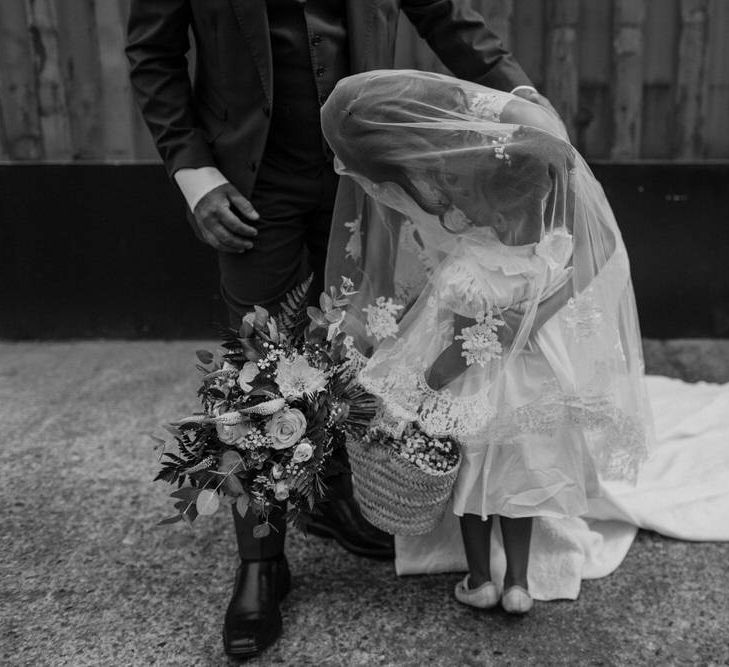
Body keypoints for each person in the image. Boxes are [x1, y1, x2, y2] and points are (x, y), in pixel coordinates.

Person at [125, 0, 561, 658]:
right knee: (259, 360)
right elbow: (153, 53)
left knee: (362, 336)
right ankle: (262, 557)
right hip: (248, 178)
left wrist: (521, 93)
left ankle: (332, 492)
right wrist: (193, 171)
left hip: (363, 167)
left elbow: (442, 12)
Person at [321, 70, 653, 614]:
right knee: (520, 472)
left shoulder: (530, 148)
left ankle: (481, 577)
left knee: (471, 477)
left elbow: (598, 248)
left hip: (487, 365)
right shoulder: (540, 250)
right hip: (530, 369)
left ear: (488, 204)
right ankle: (517, 581)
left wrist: (432, 380)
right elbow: (552, 260)